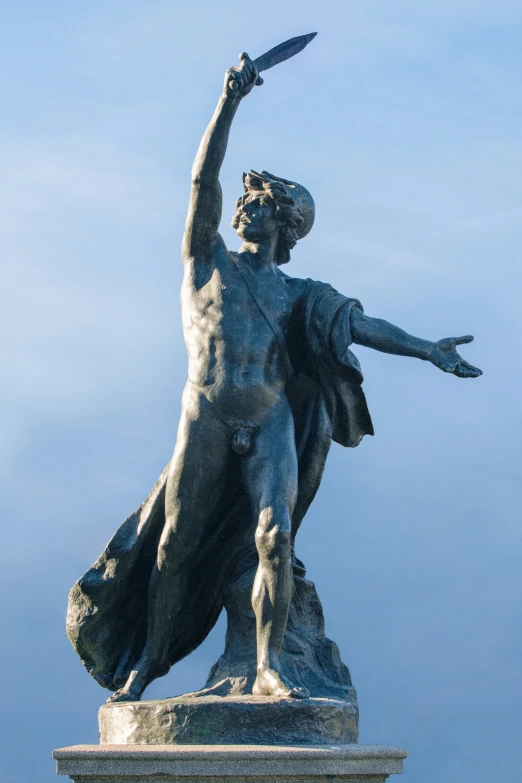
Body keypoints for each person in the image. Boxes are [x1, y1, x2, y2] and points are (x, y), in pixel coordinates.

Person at [67, 53, 482, 703]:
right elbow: (202, 178)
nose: (242, 209)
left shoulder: (296, 292)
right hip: (206, 411)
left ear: (284, 222)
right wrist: (229, 101)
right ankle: (146, 662)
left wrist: (428, 348)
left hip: (268, 419)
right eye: (243, 201)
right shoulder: (205, 262)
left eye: (257, 203)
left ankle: (268, 666)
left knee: (275, 536)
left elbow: (357, 324)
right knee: (175, 543)